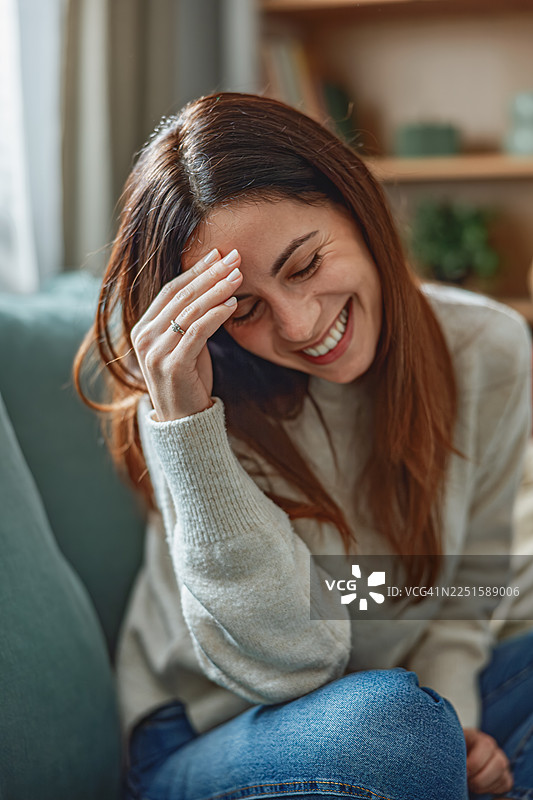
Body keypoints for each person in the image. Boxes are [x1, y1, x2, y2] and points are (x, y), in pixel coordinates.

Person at [73, 92, 533, 800]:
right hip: (213, 727)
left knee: (417, 728)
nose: (296, 326)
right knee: (392, 730)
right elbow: (291, 667)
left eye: (303, 264)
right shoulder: (190, 403)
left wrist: (459, 727)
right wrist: (189, 429)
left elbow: (461, 595)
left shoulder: (488, 349)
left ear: (356, 205)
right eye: (244, 310)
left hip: (405, 701)